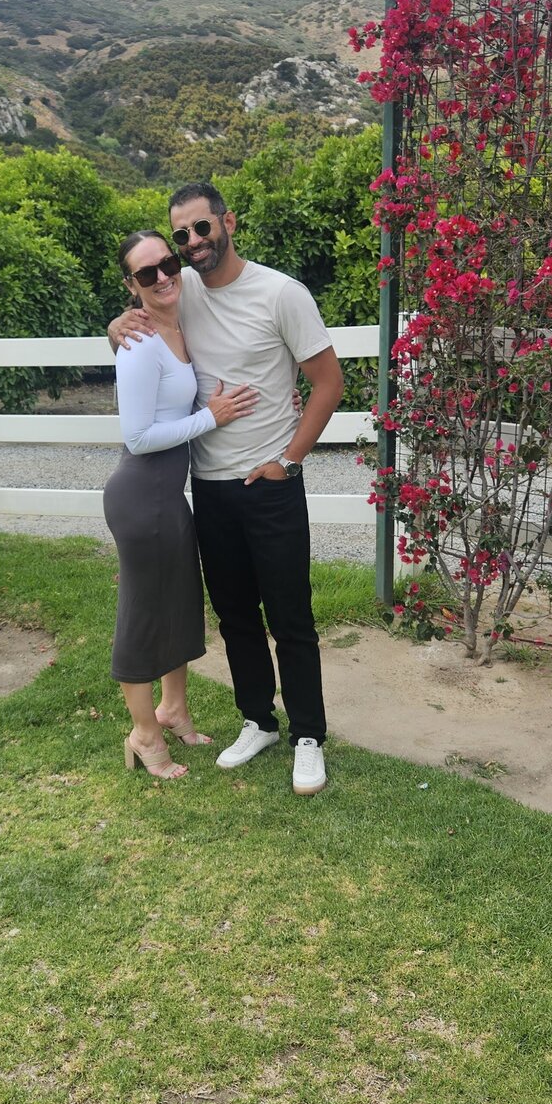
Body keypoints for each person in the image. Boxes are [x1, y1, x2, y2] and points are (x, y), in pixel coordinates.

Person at [108, 184, 344, 796]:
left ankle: (308, 736)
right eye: (180, 236)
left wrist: (289, 460)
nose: (190, 244)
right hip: (209, 489)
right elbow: (143, 324)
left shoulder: (281, 293)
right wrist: (115, 326)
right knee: (236, 616)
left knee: (291, 618)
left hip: (270, 485)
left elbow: (328, 383)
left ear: (226, 223)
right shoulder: (180, 290)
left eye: (201, 229)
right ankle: (258, 720)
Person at [103, 229, 258, 780]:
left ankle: (174, 710)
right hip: (140, 496)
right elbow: (139, 436)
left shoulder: (177, 321)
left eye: (167, 263)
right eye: (147, 273)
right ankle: (144, 735)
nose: (163, 276)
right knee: (144, 616)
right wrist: (210, 418)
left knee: (178, 604)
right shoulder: (140, 344)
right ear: (132, 285)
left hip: (168, 497)